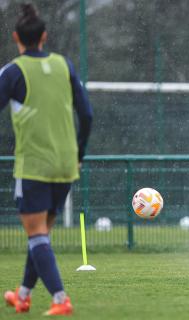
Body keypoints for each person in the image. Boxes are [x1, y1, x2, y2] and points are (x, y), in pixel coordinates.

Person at [1, 3, 93, 315]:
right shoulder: (65, 65)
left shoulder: (13, 71)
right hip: (66, 163)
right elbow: (87, 114)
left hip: (34, 165)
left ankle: (59, 299)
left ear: (16, 37)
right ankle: (23, 295)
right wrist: (78, 153)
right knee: (40, 234)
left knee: (36, 233)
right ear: (44, 37)